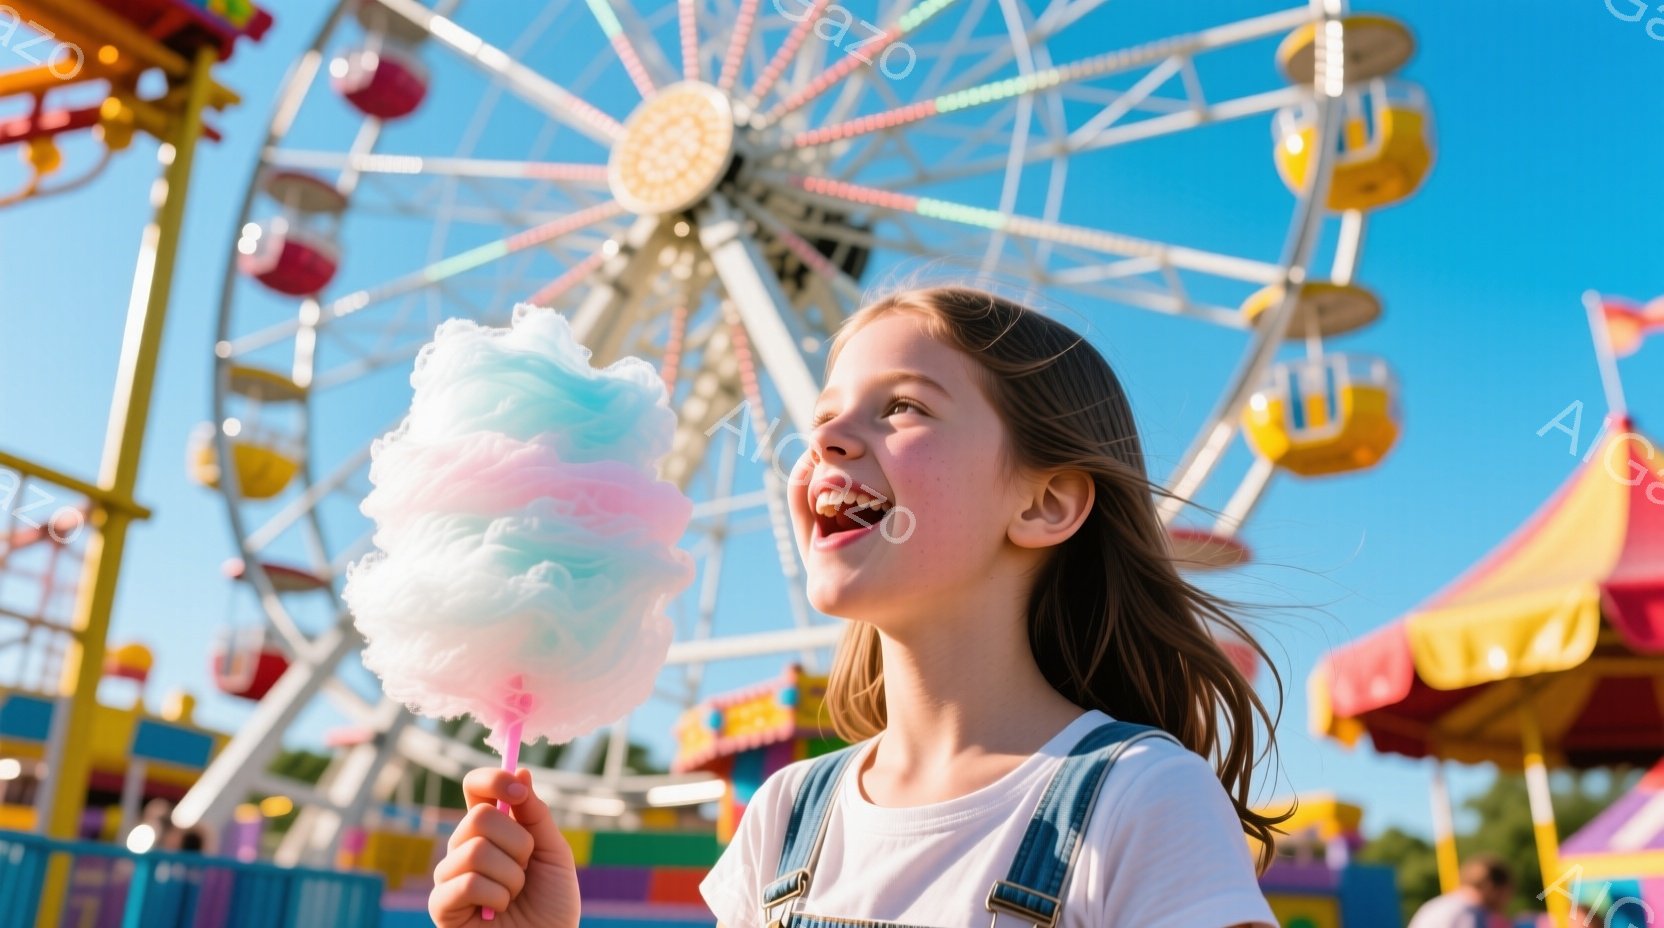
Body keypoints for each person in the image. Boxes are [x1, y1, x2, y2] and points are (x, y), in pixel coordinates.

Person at [429, 285, 1284, 927]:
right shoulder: (786, 814)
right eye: (824, 418)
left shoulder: (1140, 799)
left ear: (1045, 503)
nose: (826, 441)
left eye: (902, 407)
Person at [1408, 855, 1515, 928]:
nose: (1506, 902)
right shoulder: (1470, 913)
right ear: (1493, 888)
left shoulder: (1436, 906)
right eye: (1507, 894)